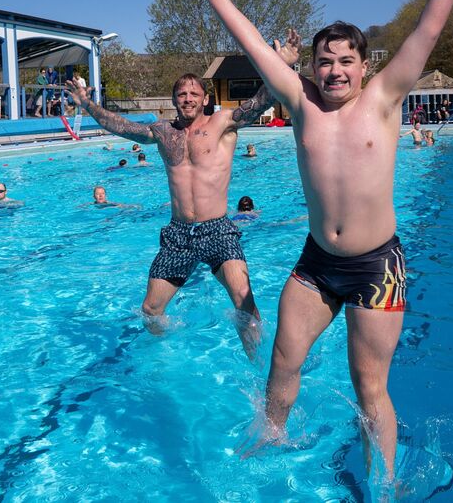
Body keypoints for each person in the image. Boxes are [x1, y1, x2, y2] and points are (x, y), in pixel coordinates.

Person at [191, 0, 453, 479]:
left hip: (377, 266)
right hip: (317, 264)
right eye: (326, 61)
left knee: (369, 389)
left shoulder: (385, 99)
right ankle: (269, 445)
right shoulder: (301, 104)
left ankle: (384, 482)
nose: (335, 70)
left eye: (347, 61)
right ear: (314, 67)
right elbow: (257, 50)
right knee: (282, 367)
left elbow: (429, 29)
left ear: (365, 67)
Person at [66, 33, 300, 359]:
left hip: (218, 230)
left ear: (204, 99)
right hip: (178, 234)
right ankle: (168, 355)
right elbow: (120, 126)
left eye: (194, 93)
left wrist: (281, 65)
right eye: (181, 93)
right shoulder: (163, 132)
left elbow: (260, 102)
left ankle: (260, 368)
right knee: (150, 310)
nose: (188, 98)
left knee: (244, 302)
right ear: (174, 99)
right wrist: (88, 104)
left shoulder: (222, 124)